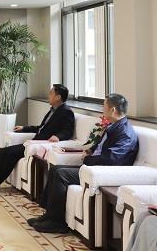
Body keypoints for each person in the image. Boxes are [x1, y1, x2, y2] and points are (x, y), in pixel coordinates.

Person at [29, 93, 139, 234]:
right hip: (94, 167)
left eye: (104, 106)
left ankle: (57, 223)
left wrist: (88, 159)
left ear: (112, 110)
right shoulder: (115, 126)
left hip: (102, 172)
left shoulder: (125, 132)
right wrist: (90, 150)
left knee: (61, 175)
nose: (102, 110)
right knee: (55, 170)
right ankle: (49, 215)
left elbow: (112, 158)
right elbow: (101, 147)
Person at [0, 84, 75, 192]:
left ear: (58, 97)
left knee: (10, 154)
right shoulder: (52, 111)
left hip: (39, 145)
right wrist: (24, 128)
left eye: (51, 93)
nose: (49, 95)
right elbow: (40, 128)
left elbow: (68, 131)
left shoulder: (66, 112)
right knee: (3, 152)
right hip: (33, 142)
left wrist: (58, 137)